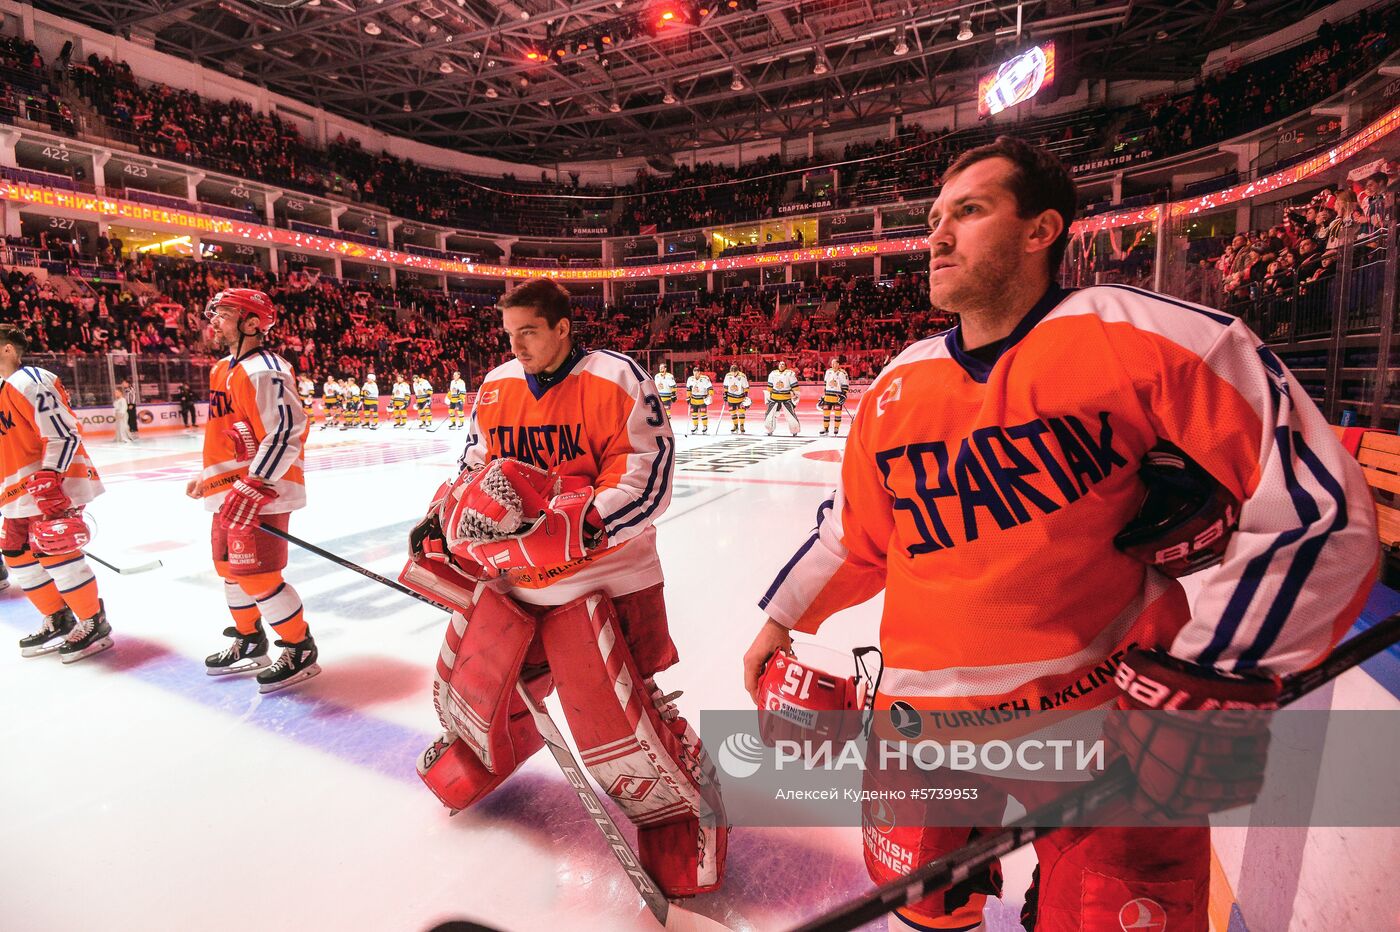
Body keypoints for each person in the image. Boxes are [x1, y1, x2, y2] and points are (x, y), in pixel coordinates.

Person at [741, 137, 1377, 931]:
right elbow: (856, 537)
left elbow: (1319, 508)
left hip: (1104, 718)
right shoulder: (894, 387)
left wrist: (1219, 670)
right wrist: (781, 619)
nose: (937, 235)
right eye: (934, 218)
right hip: (922, 723)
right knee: (929, 915)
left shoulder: (1144, 334)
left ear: (1042, 230)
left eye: (968, 212)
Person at [403, 279, 726, 900]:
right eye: (509, 334)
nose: (517, 345)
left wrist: (576, 527)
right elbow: (476, 467)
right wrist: (445, 517)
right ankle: (480, 752)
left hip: (604, 578)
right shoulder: (496, 386)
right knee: (477, 681)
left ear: (562, 327)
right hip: (514, 578)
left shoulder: (617, 378)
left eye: (528, 331)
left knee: (619, 715)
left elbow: (648, 476)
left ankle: (678, 814)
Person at [187, 288, 319, 694]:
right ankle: (250, 639)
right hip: (230, 489)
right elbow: (226, 431)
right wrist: (207, 474)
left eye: (225, 314)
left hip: (263, 490)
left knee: (259, 574)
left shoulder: (266, 369)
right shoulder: (221, 368)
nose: (215, 322)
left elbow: (286, 430)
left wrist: (256, 482)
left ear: (252, 323)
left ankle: (300, 647)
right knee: (229, 570)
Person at [0, 326, 112, 662]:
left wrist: (51, 475)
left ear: (7, 349)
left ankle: (93, 622)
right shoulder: (3, 388)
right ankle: (57, 617)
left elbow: (63, 431)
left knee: (55, 551)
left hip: (47, 483)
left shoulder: (30, 379)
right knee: (15, 553)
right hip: (17, 491)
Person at [764, 358, 800, 436]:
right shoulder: (773, 373)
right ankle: (769, 430)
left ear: (786, 366)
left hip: (786, 398)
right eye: (780, 364)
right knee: (770, 414)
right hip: (774, 398)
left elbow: (795, 387)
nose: (781, 365)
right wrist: (767, 397)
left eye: (783, 364)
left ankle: (794, 430)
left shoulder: (790, 373)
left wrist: (796, 396)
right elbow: (769, 386)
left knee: (791, 415)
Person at [818, 356, 850, 436]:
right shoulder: (828, 371)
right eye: (832, 363)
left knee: (838, 413)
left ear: (838, 364)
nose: (833, 365)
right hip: (828, 396)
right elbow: (825, 383)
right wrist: (824, 395)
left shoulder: (843, 373)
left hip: (837, 397)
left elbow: (845, 385)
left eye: (835, 363)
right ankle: (825, 428)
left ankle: (836, 427)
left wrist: (843, 395)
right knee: (826, 413)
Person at [722, 364, 750, 433]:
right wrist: (725, 394)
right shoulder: (728, 376)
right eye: (732, 372)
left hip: (740, 398)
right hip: (731, 397)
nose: (734, 374)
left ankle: (742, 425)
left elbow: (746, 387)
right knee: (732, 412)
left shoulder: (742, 376)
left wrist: (746, 396)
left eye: (735, 372)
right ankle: (735, 425)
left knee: (741, 412)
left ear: (738, 371)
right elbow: (725, 386)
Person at [685, 366, 713, 435]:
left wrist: (710, 395)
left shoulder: (705, 379)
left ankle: (704, 426)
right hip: (694, 399)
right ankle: (695, 426)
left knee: (703, 414)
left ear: (699, 373)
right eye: (694, 373)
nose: (695, 375)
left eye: (697, 373)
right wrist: (688, 397)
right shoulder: (690, 379)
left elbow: (710, 387)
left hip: (702, 399)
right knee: (694, 414)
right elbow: (688, 389)